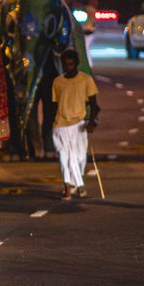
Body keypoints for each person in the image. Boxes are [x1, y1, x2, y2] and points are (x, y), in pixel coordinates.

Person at [50, 48, 100, 199]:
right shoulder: (57, 82)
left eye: (71, 64)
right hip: (61, 125)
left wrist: (92, 122)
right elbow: (54, 105)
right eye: (65, 64)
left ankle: (76, 183)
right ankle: (70, 187)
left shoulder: (86, 80)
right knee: (65, 158)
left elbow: (94, 105)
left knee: (79, 158)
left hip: (79, 124)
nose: (68, 67)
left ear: (76, 64)